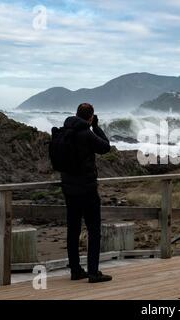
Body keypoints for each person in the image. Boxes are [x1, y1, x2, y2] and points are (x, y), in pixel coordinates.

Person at [61, 103, 112, 283]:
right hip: (87, 190)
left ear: (76, 114)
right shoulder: (86, 134)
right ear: (90, 117)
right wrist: (96, 127)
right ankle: (93, 272)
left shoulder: (65, 132)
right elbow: (106, 147)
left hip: (68, 189)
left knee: (73, 230)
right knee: (94, 230)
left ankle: (75, 270)